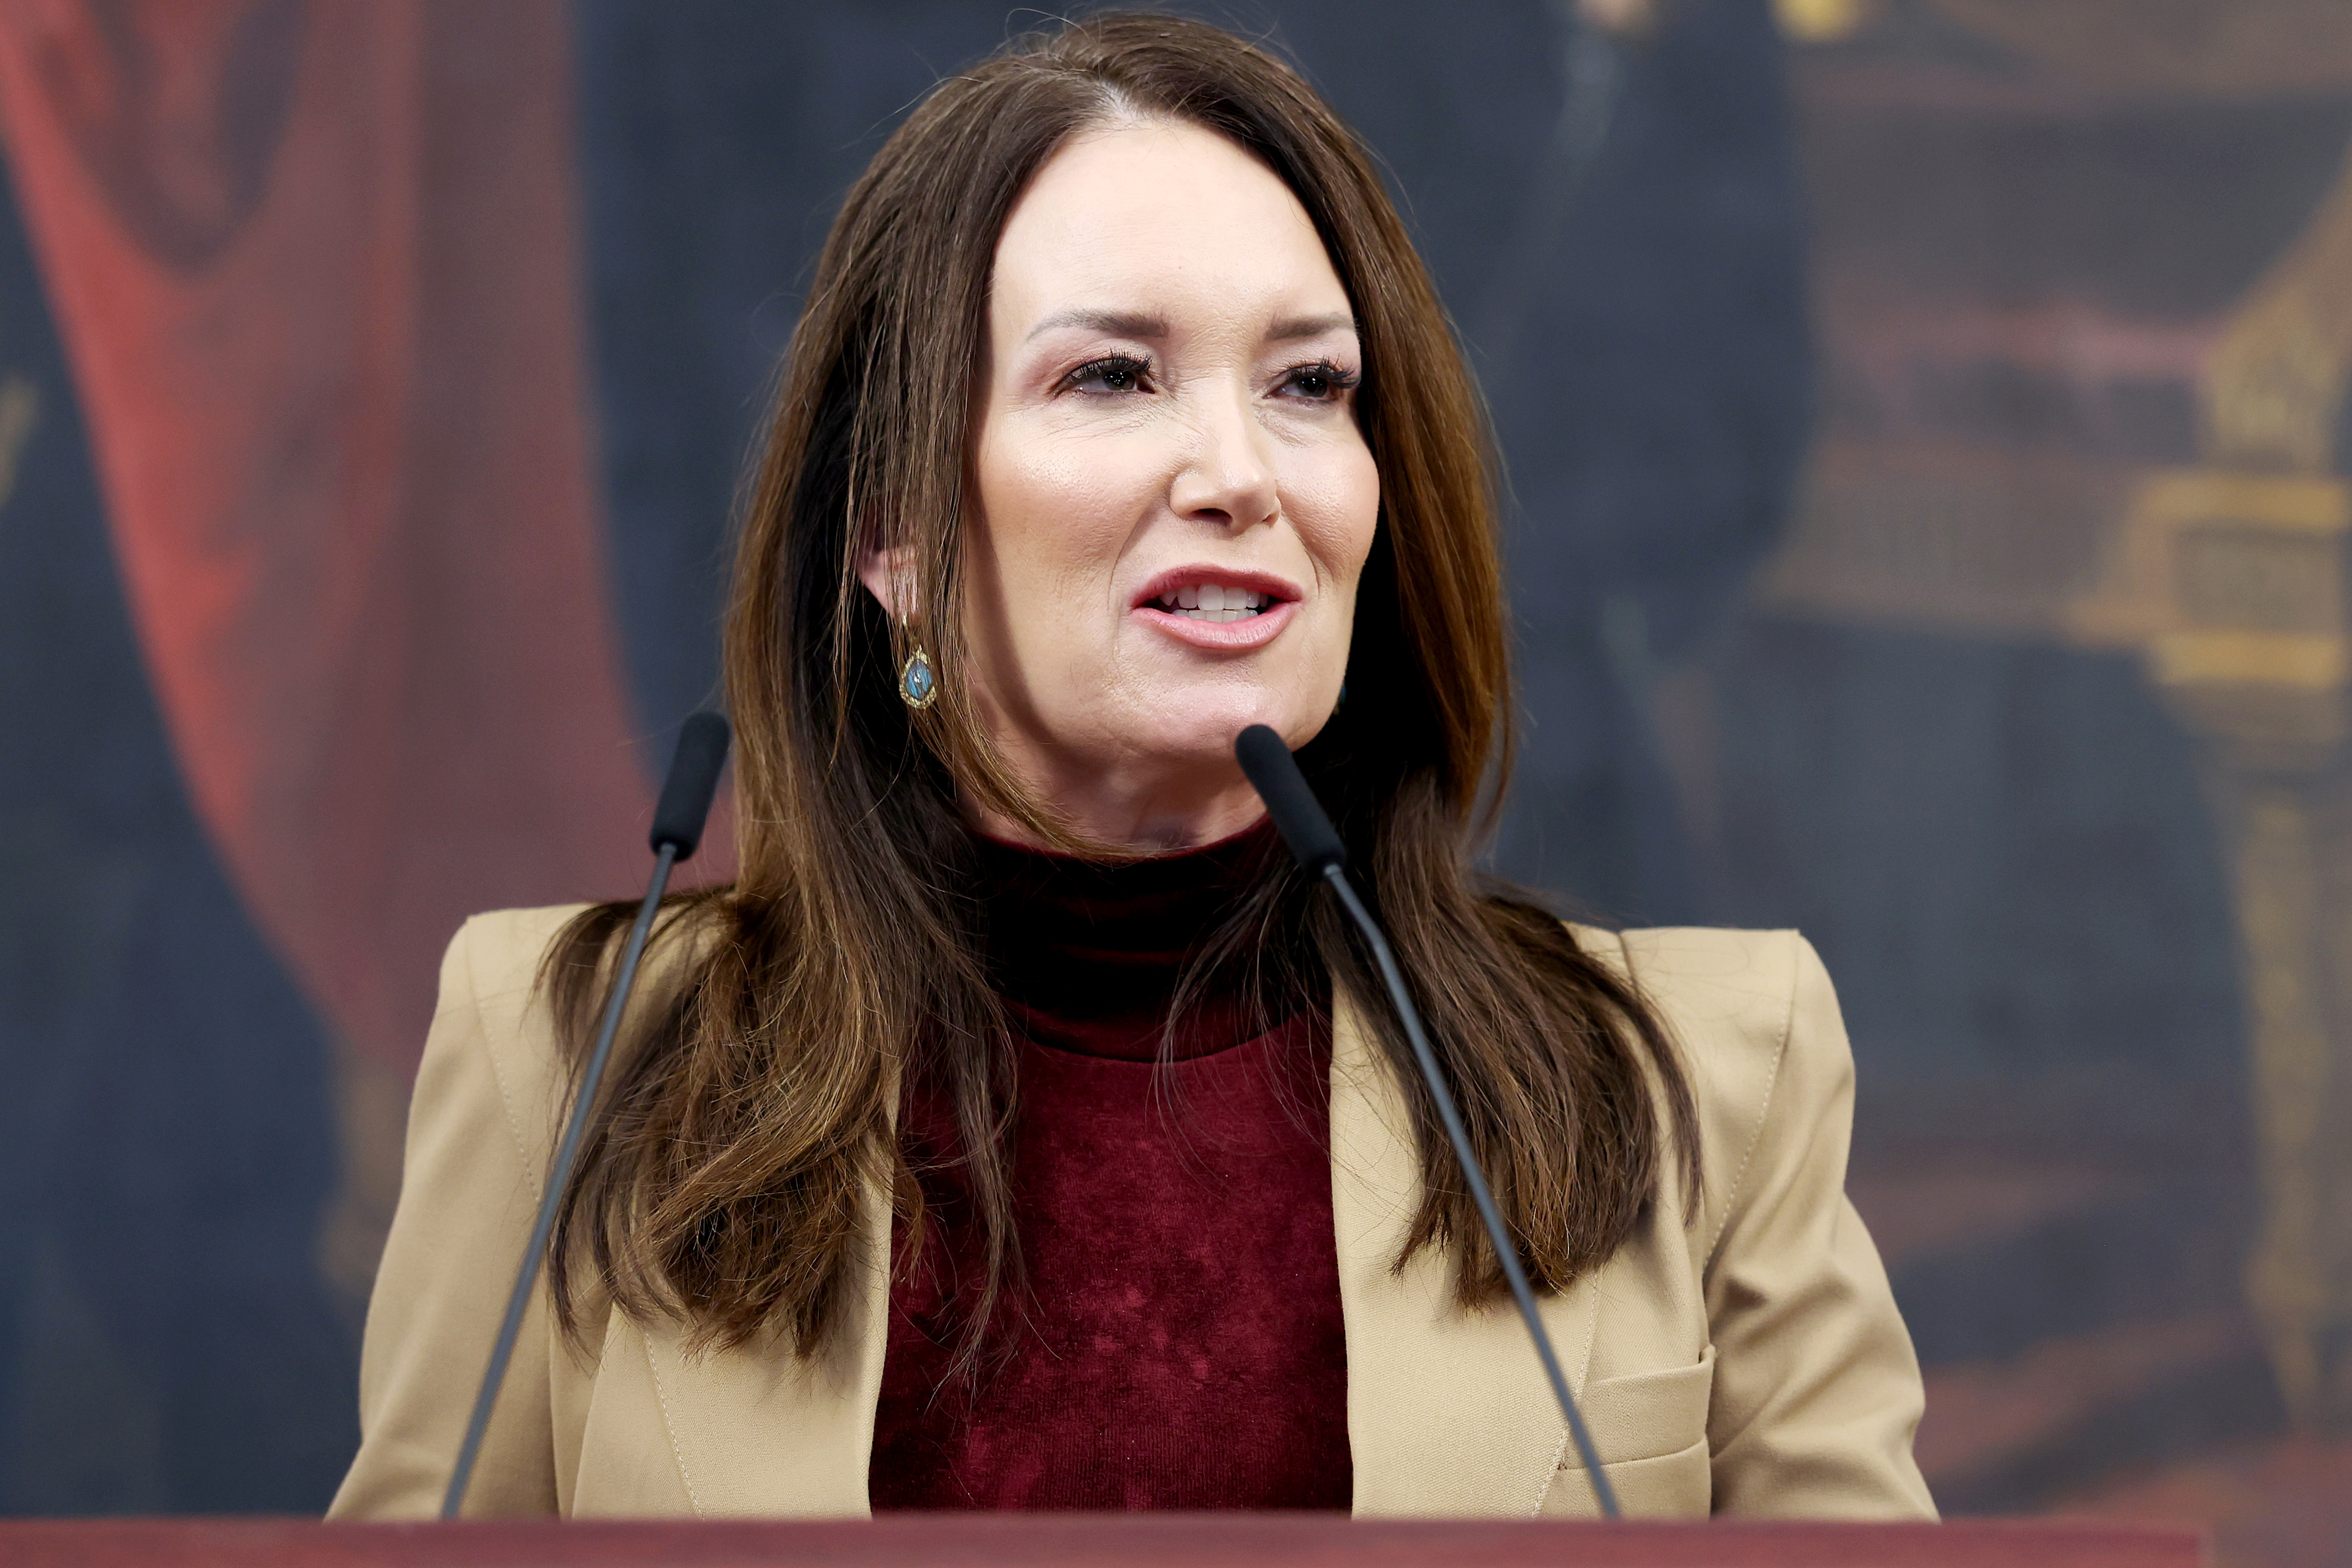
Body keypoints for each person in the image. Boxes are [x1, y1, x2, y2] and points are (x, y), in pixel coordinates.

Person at [329, 13, 1933, 1520]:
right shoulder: (572, 1068)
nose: (1239, 472)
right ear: (893, 533)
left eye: (1308, 385)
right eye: (1111, 375)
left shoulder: (1705, 1082)